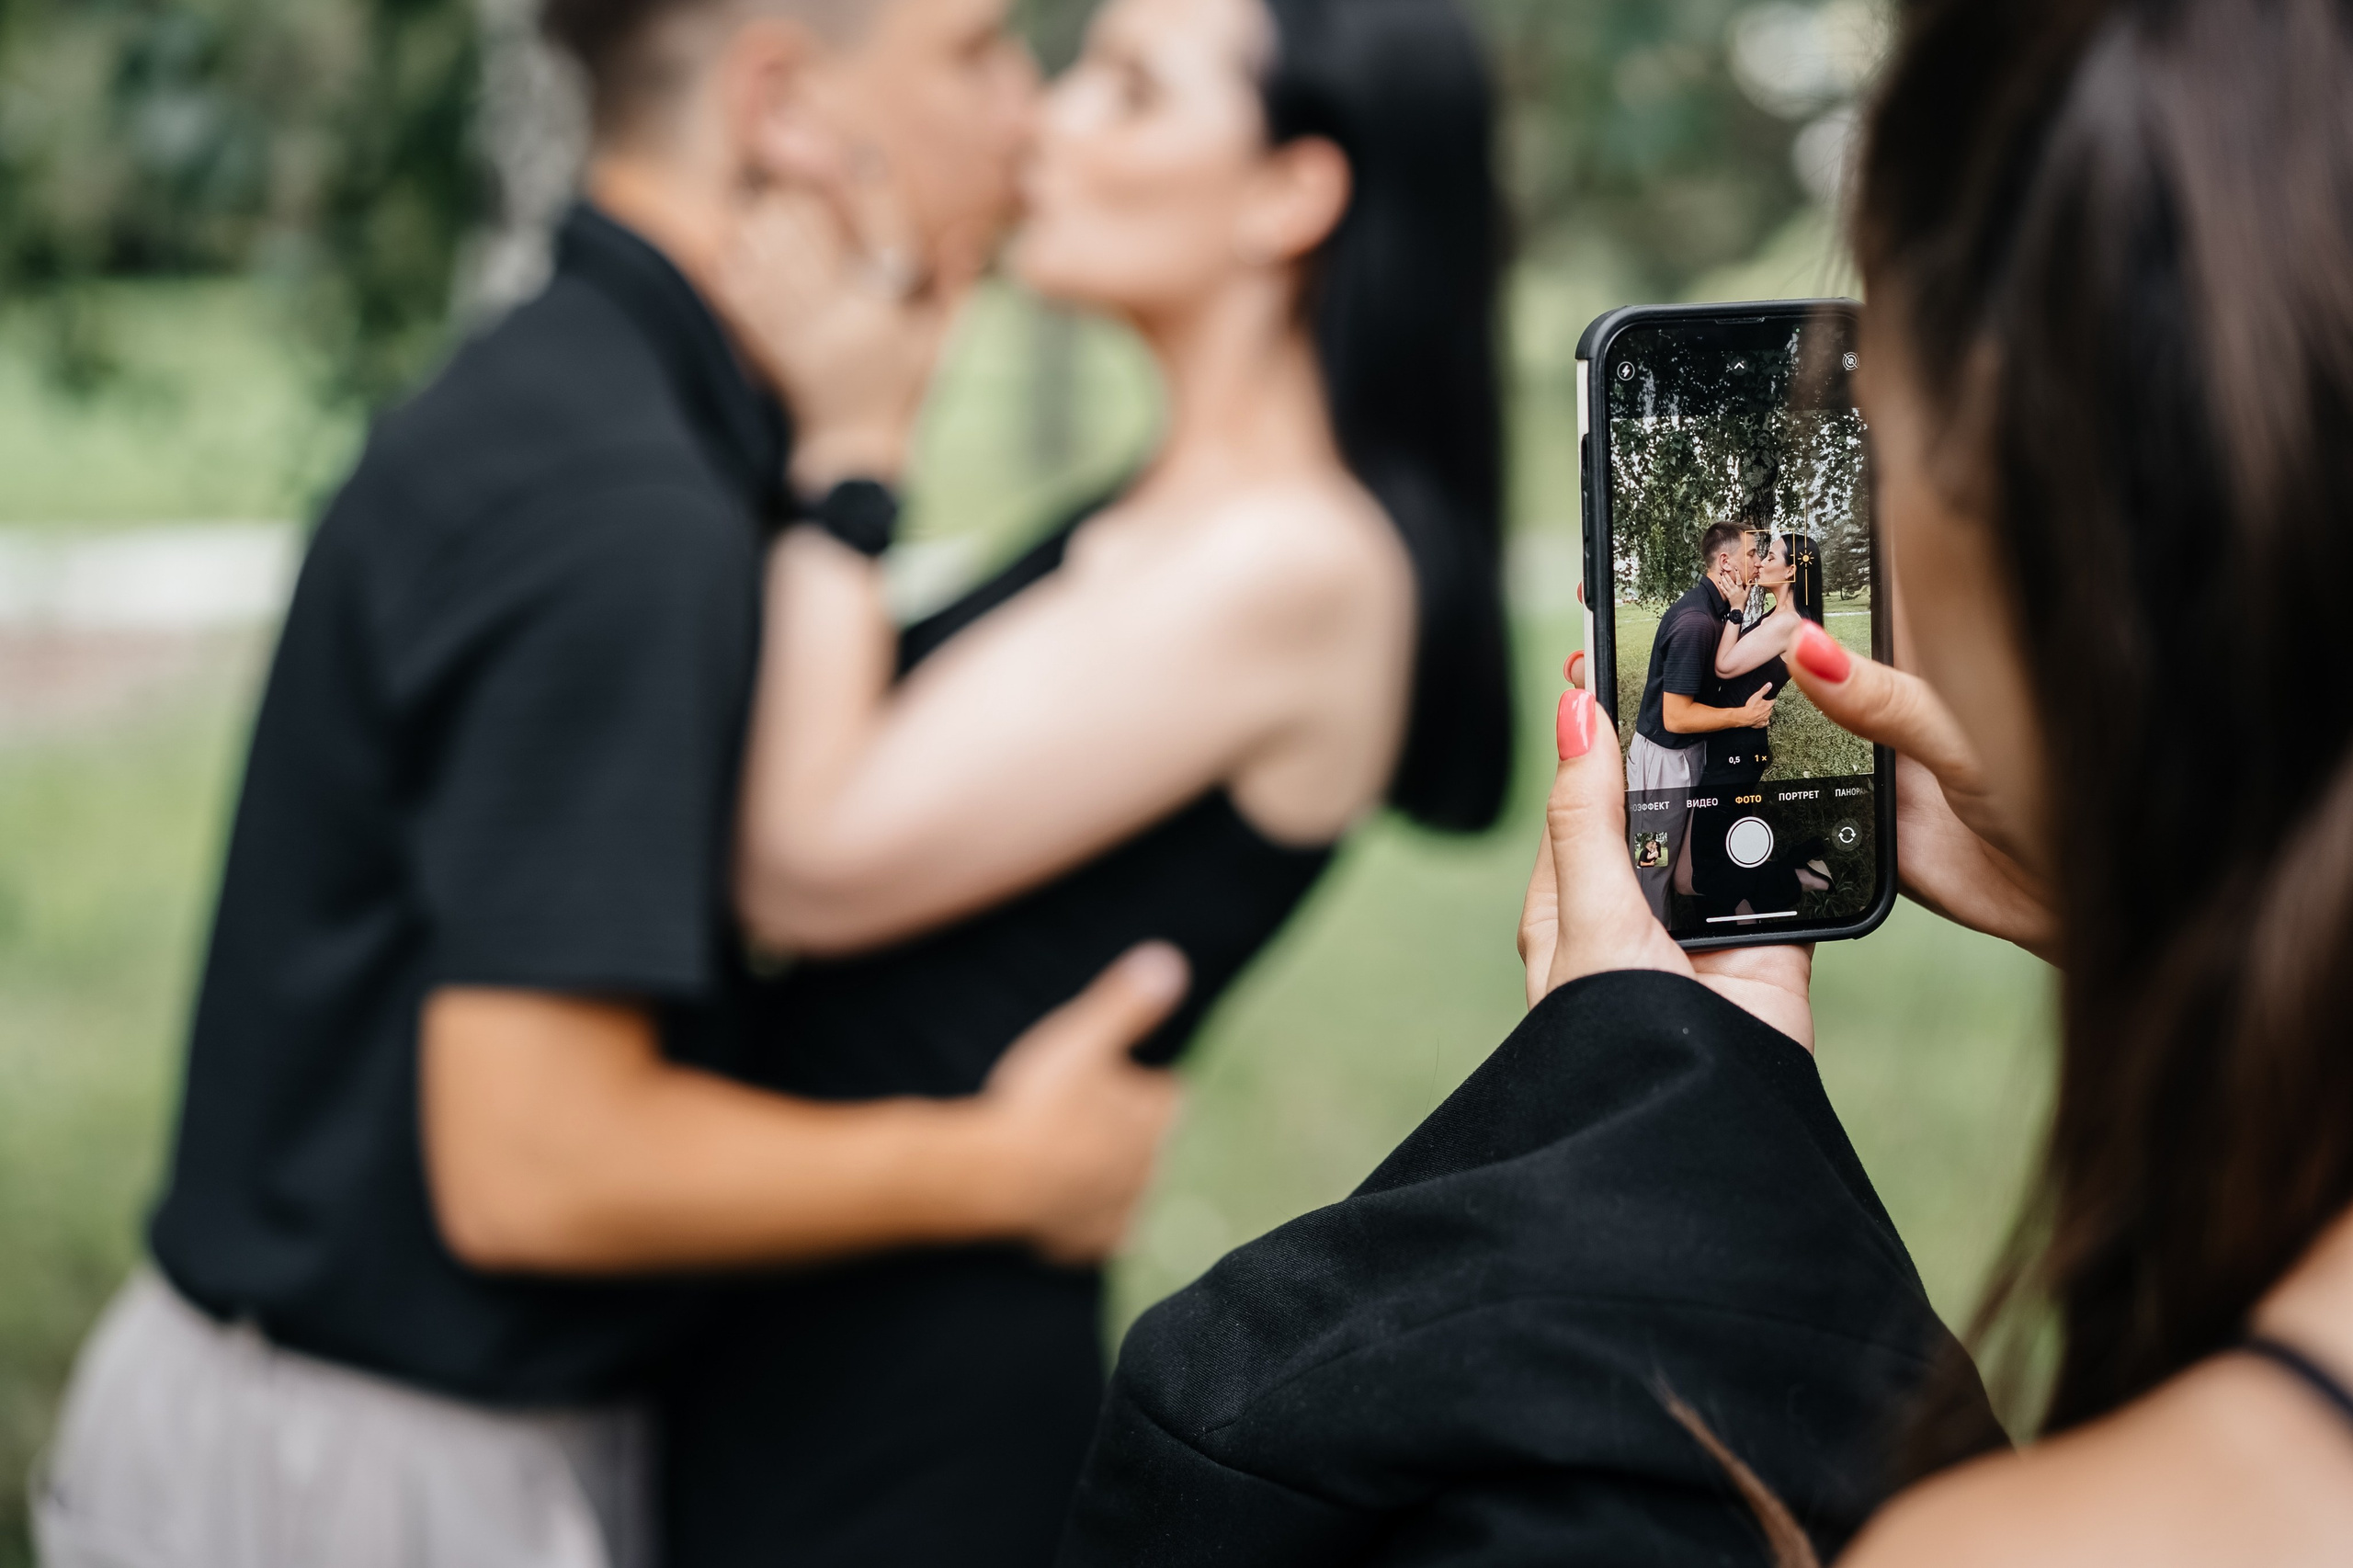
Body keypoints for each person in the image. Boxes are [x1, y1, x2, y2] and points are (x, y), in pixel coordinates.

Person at [28, 3, 1194, 1564]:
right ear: (784, 103)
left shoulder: (603, 407)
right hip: (378, 1482)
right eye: (979, 51)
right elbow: (534, 1167)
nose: (1028, 115)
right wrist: (1006, 1167)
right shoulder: (620, 507)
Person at [658, 0, 1514, 1561]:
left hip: (897, 1418)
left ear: (1291, 195)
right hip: (821, 1324)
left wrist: (853, 459)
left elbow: (806, 857)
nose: (1046, 124)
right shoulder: (1180, 514)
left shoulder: (1294, 562)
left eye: (1126, 90)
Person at [1627, 519, 1775, 919]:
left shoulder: (1722, 611)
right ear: (1725, 562)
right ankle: (1650, 952)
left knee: (1683, 861)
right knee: (1652, 864)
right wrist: (1743, 717)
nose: (1758, 562)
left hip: (1692, 753)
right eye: (1751, 554)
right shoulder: (1695, 622)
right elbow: (1675, 717)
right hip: (1663, 764)